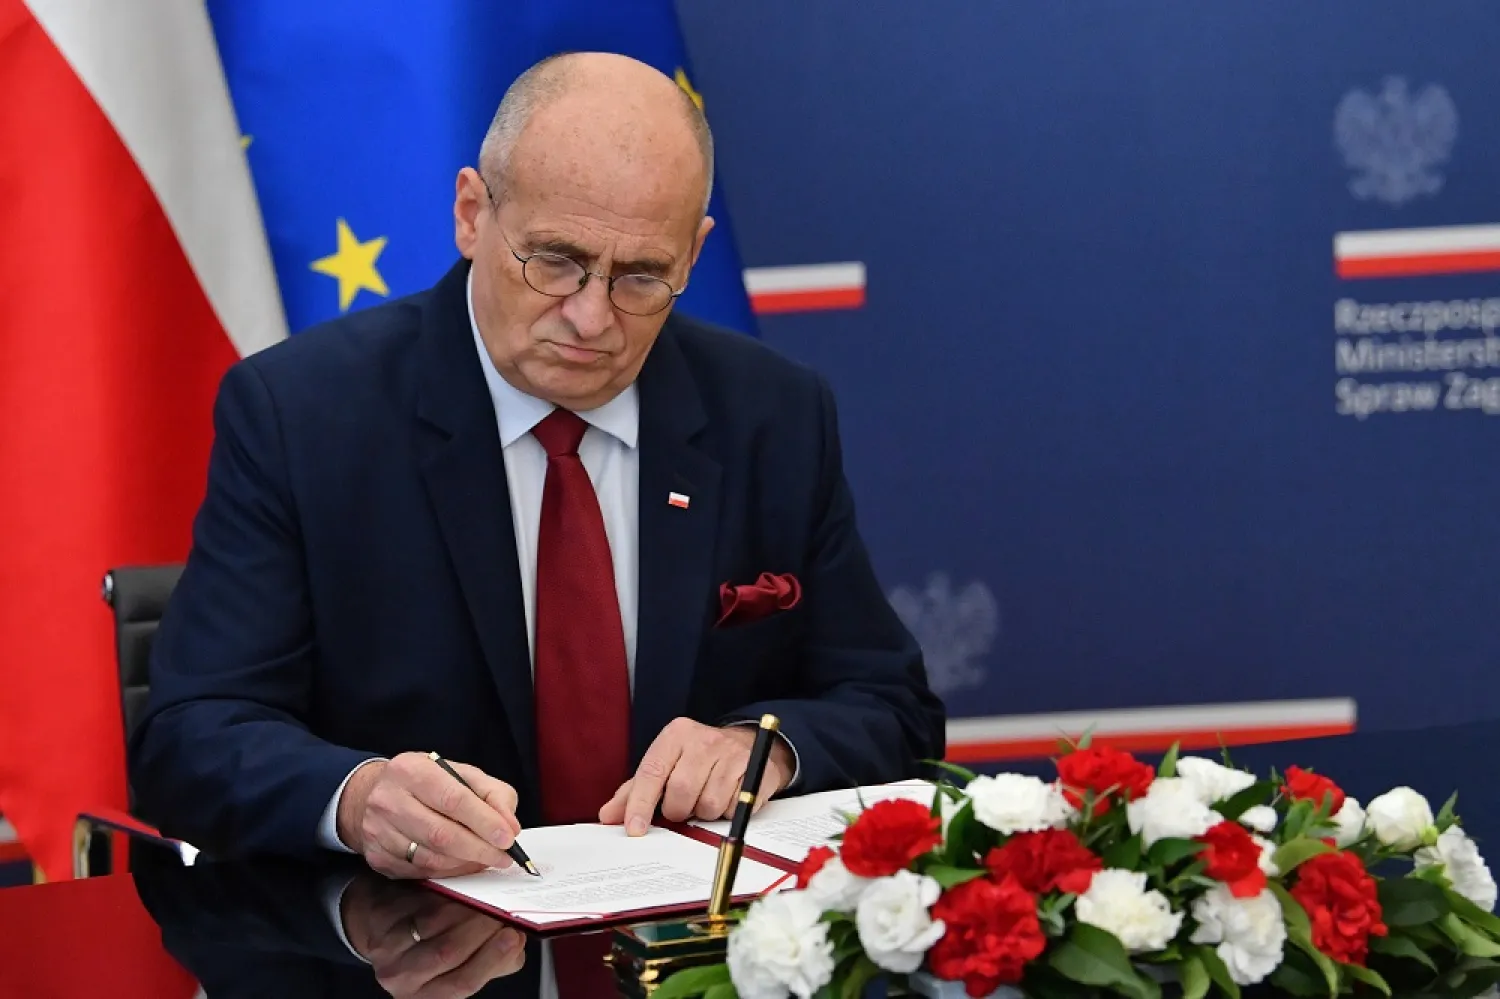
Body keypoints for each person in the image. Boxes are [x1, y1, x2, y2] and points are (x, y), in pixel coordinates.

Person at [128, 51, 945, 884]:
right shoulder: (303, 415)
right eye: (555, 260)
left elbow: (893, 708)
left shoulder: (770, 413)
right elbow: (191, 736)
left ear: (693, 256)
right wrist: (356, 795)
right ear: (472, 213)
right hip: (406, 950)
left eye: (641, 277)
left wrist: (764, 749)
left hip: (679, 950)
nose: (591, 317)